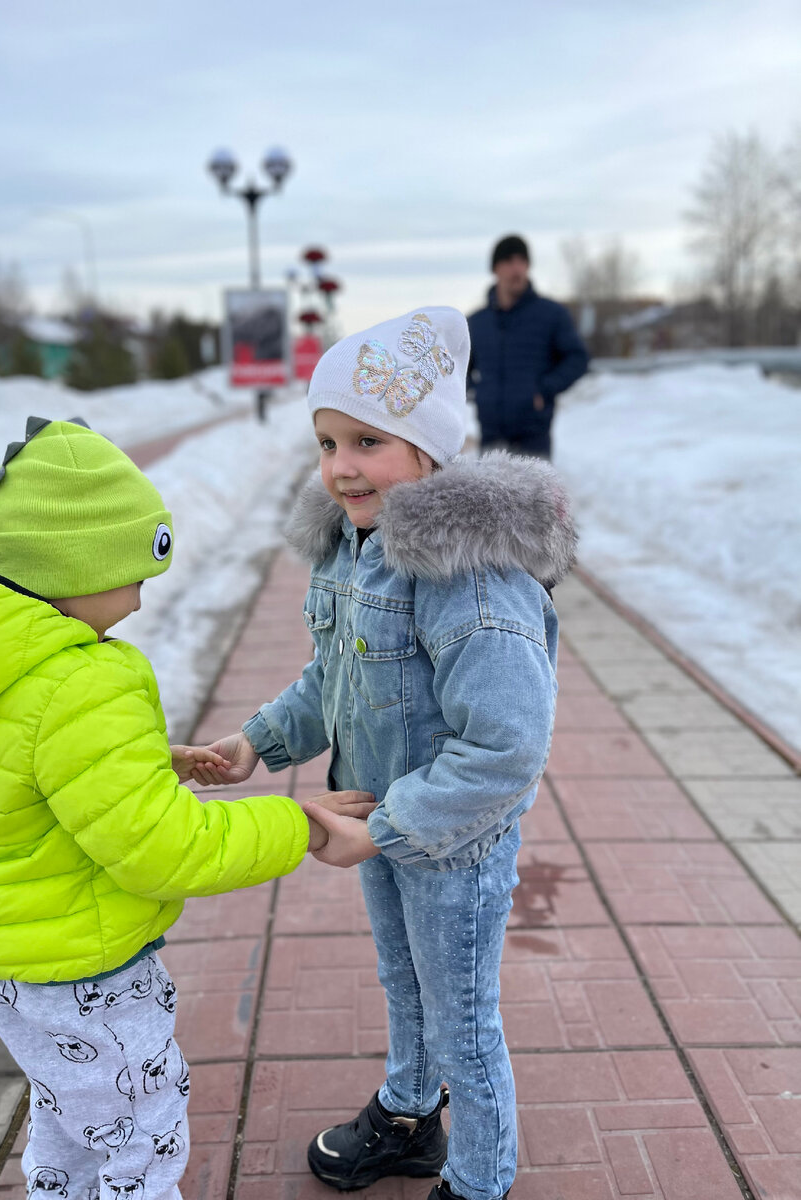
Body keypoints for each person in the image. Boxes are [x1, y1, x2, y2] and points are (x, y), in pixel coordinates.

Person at [0, 417, 373, 1200]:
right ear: (82, 565)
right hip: (89, 967)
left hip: (19, 965)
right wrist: (300, 826)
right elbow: (164, 847)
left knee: (73, 1114)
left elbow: (30, 771)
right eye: (135, 568)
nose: (145, 593)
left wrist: (152, 762)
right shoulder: (86, 682)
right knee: (143, 1131)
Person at [191, 309, 576, 1200]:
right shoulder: (355, 549)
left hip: (453, 842)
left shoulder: (469, 579)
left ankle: (481, 1181)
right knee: (403, 980)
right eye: (327, 442)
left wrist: (394, 825)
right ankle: (409, 1114)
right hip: (382, 824)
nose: (340, 467)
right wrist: (254, 743)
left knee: (465, 1019)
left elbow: (508, 747)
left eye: (368, 440)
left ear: (432, 450)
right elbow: (335, 677)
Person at [468, 234, 589, 459]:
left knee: (535, 495)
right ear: (495, 269)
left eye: (522, 261)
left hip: (533, 435)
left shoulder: (551, 314)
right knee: (489, 494)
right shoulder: (477, 322)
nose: (517, 269)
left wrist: (544, 389)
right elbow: (459, 366)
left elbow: (578, 358)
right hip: (491, 434)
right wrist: (476, 392)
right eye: (509, 262)